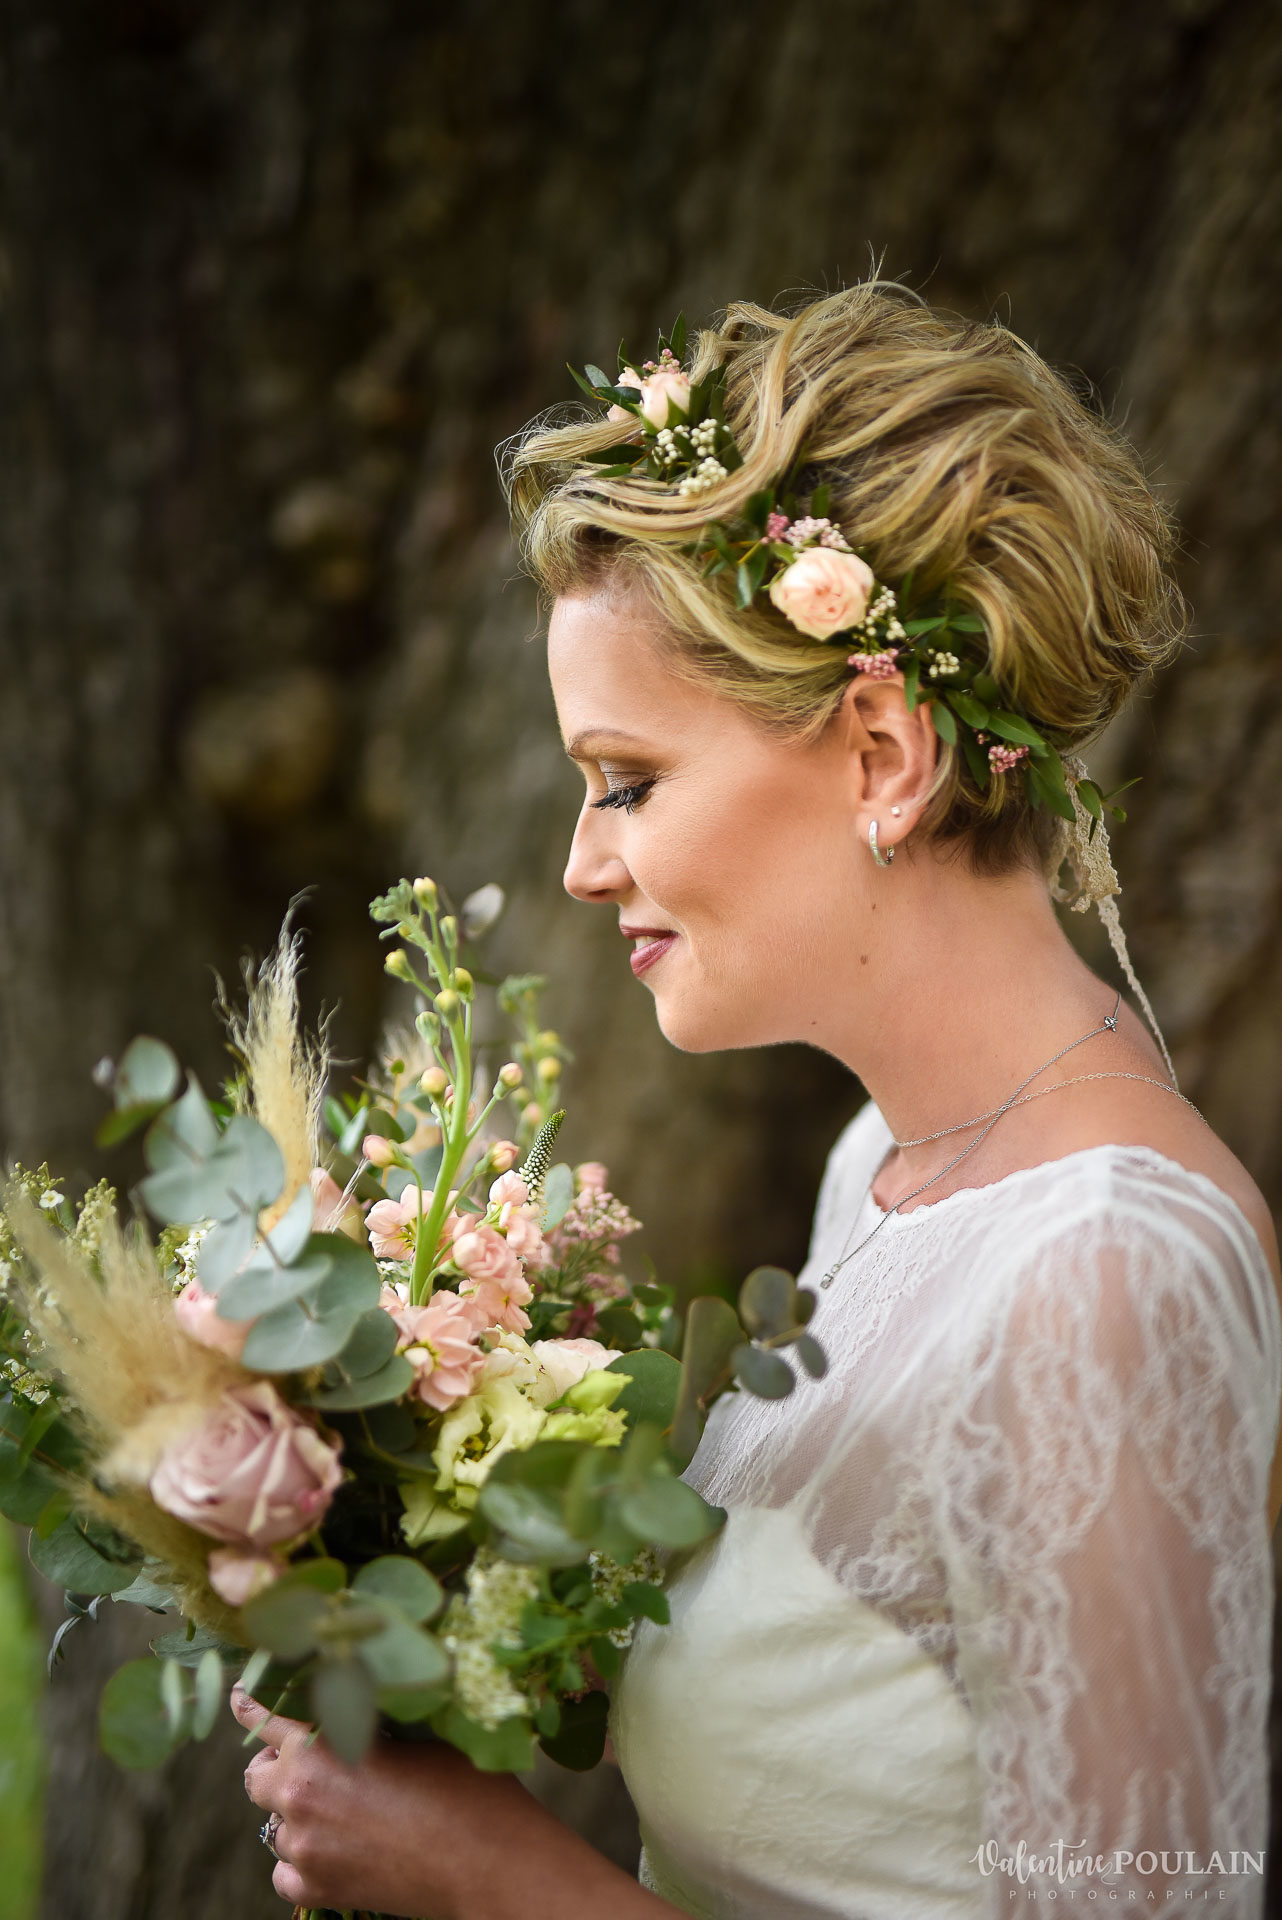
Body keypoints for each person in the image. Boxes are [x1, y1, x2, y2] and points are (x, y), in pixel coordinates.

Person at [235, 282, 1282, 1919]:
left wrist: (510, 1890)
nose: (586, 865)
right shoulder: (886, 1164)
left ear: (880, 752)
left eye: (629, 782)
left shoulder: (1104, 1276)